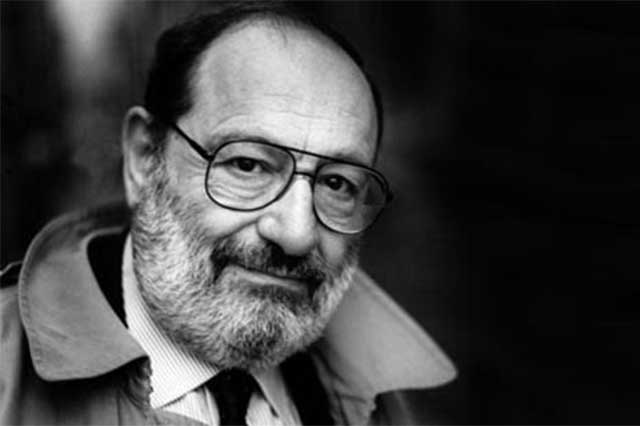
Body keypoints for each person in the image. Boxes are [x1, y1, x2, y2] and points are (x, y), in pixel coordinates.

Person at [0, 3, 456, 425]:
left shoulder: (379, 404)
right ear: (144, 157)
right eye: (248, 165)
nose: (297, 233)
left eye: (337, 184)